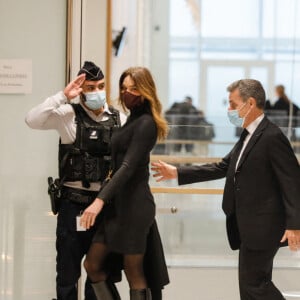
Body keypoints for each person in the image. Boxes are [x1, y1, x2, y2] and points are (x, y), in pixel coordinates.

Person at [151, 79, 300, 300]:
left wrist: (294, 225)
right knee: (250, 287)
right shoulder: (249, 134)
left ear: (249, 103)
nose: (228, 109)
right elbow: (223, 166)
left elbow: (292, 181)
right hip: (249, 226)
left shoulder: (272, 136)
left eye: (232, 104)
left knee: (255, 286)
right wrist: (178, 172)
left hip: (265, 227)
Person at [25, 61, 125, 300]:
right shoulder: (68, 116)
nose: (96, 92)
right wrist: (62, 96)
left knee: (99, 276)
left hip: (104, 208)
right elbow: (32, 119)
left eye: (100, 86)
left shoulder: (120, 118)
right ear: (81, 90)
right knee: (67, 275)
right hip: (74, 207)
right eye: (90, 87)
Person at [79, 66, 170, 300]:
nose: (128, 93)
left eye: (134, 88)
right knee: (92, 265)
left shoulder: (146, 123)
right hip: (117, 207)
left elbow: (128, 167)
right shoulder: (131, 120)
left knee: (134, 271)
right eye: (124, 88)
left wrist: (99, 200)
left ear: (145, 90)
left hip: (134, 206)